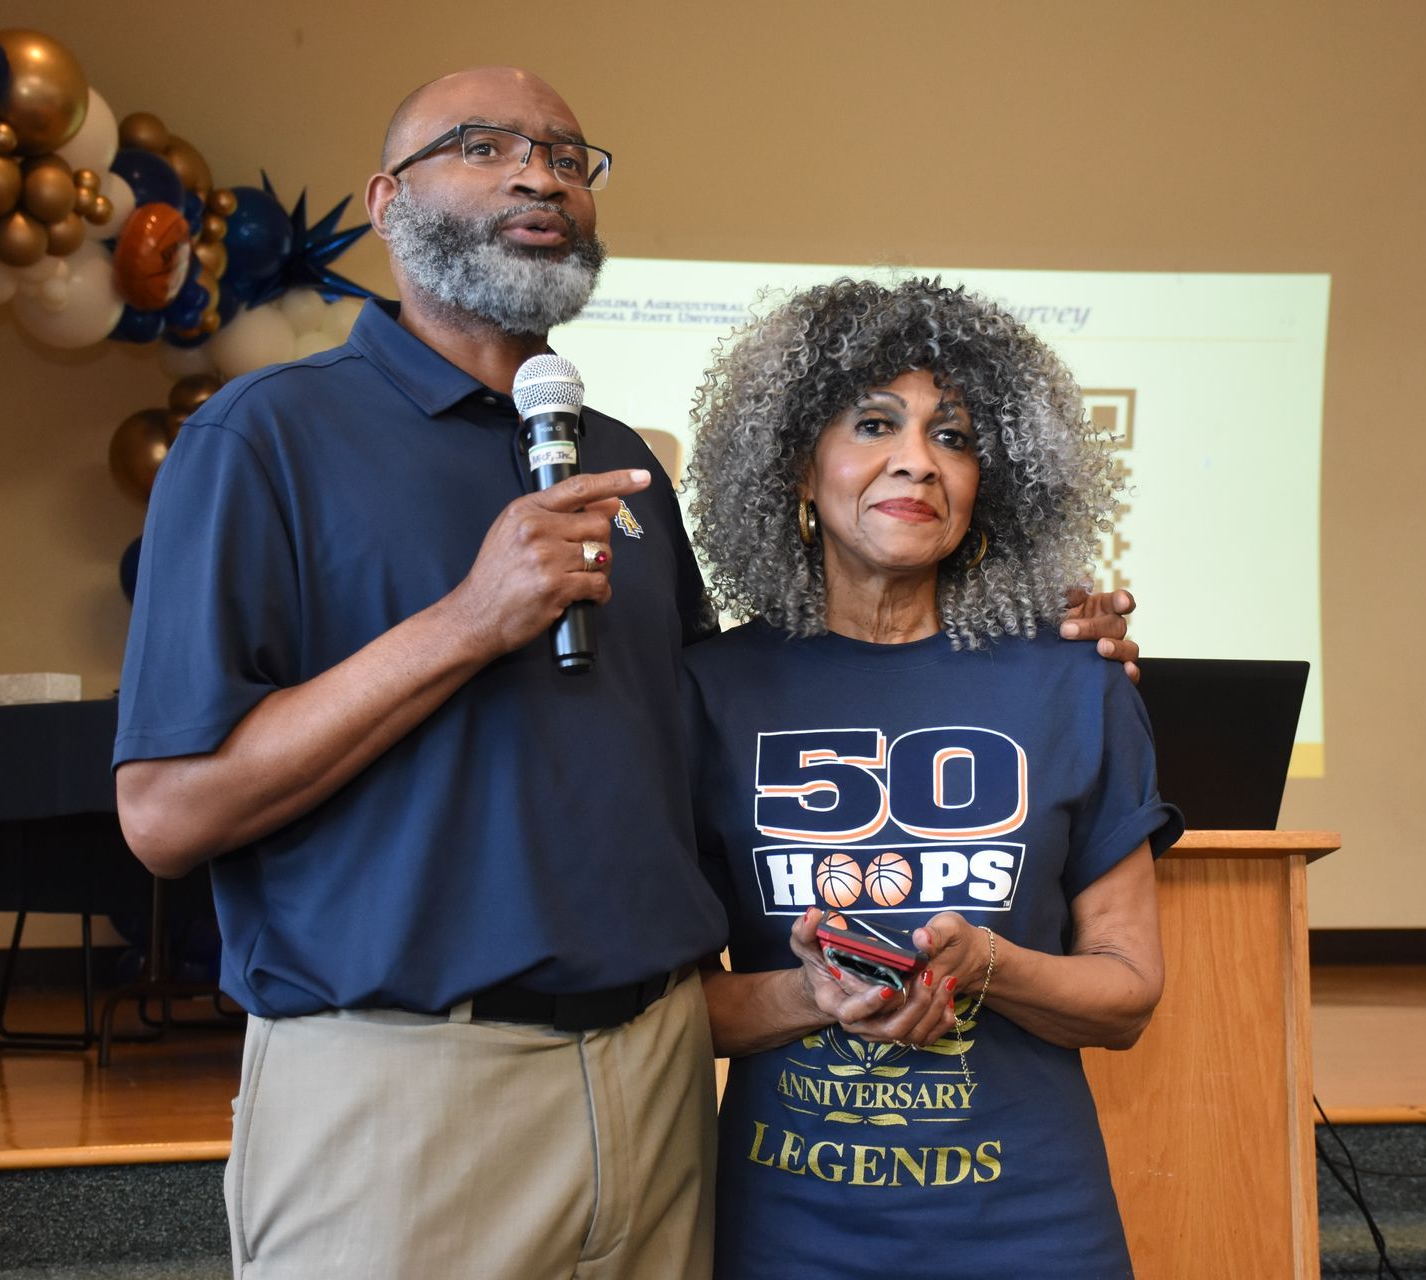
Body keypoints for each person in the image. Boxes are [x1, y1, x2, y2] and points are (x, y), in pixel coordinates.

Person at [114, 66, 1139, 1279]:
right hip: (408, 1084)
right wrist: (470, 619)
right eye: (485, 145)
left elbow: (704, 734)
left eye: (566, 154)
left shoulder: (607, 462)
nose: (540, 172)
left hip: (657, 1082)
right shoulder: (265, 438)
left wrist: (1037, 623)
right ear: (388, 201)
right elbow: (165, 816)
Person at [681, 277, 1183, 1278]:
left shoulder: (1074, 686)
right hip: (787, 1232)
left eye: (952, 434)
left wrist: (985, 964)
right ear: (794, 464)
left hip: (1031, 1229)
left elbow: (1128, 994)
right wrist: (818, 993)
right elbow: (670, 1010)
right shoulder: (707, 691)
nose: (917, 457)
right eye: (874, 423)